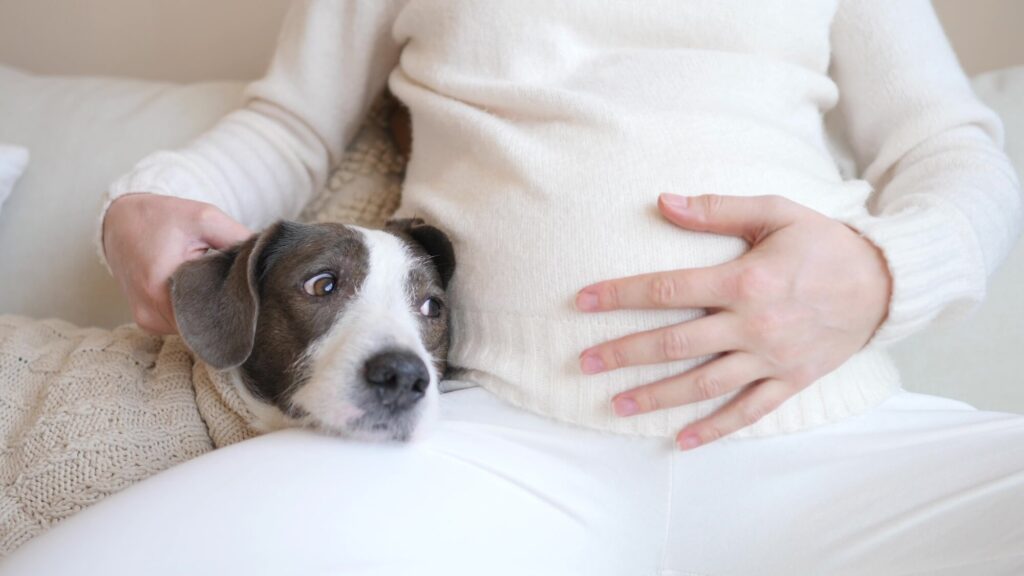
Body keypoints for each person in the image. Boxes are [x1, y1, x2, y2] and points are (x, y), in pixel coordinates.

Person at [85, 0, 1022, 573]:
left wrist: (884, 271)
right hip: (480, 442)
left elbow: (951, 148)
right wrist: (152, 202)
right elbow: (290, 124)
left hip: (833, 438)